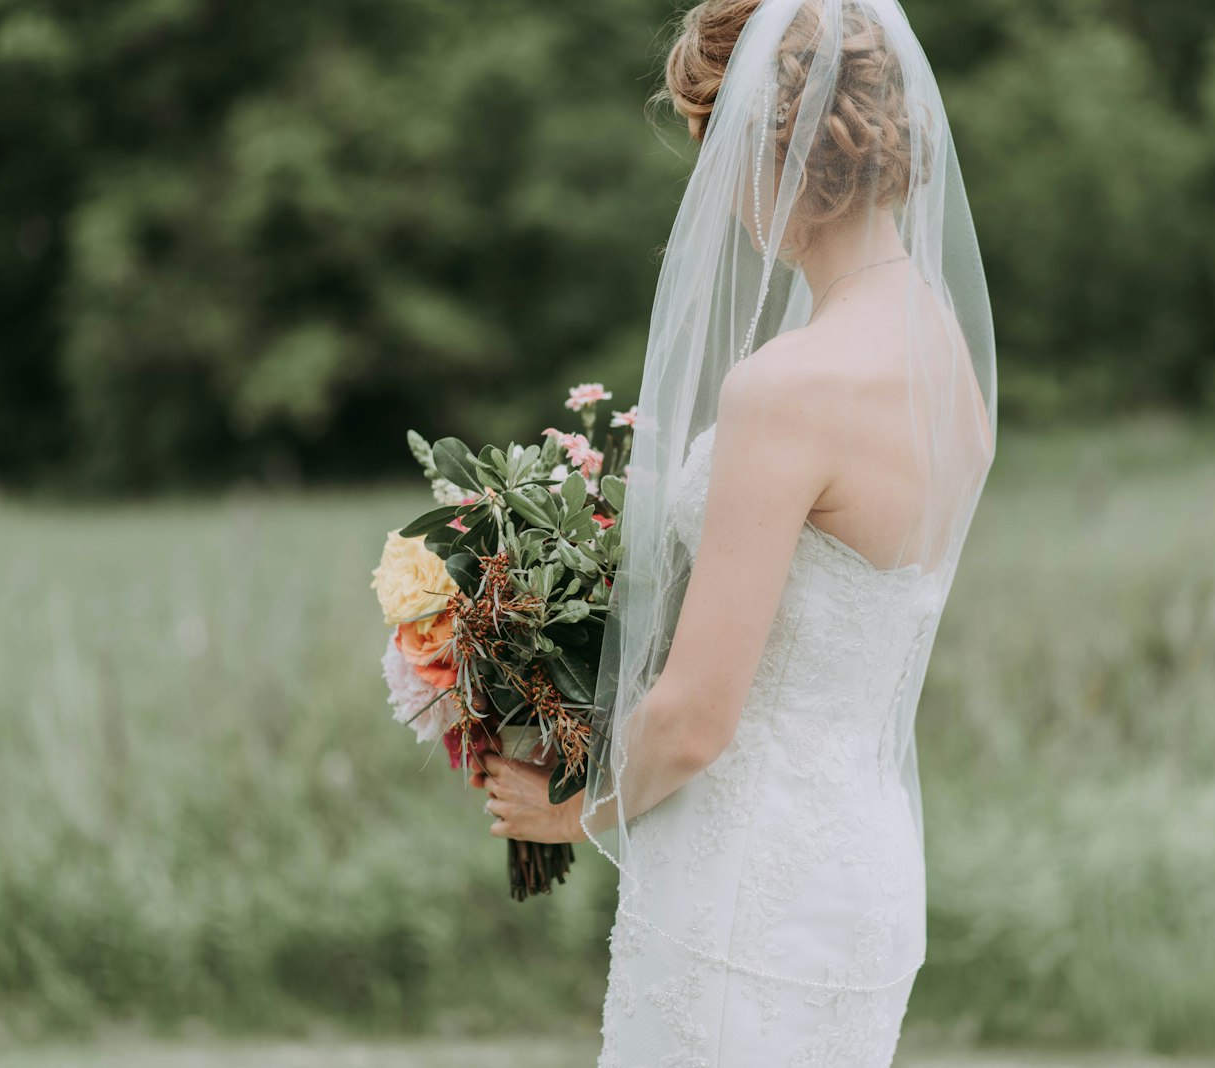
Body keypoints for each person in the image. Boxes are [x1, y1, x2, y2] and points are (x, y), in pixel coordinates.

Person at [473, 0, 996, 1062]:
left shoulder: (787, 388)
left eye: (709, 148)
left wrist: (567, 813)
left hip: (739, 882)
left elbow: (698, 717)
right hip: (866, 875)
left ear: (769, 146)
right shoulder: (950, 365)